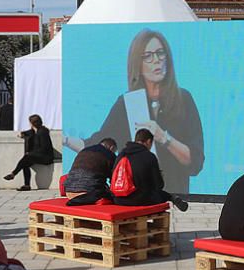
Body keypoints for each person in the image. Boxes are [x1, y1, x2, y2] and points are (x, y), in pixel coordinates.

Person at [64, 29, 204, 194]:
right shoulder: (127, 103)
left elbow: (195, 163)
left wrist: (164, 138)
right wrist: (65, 140)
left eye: (160, 53)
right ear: (138, 63)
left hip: (175, 194)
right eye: (148, 56)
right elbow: (96, 144)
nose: (156, 61)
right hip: (138, 193)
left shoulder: (184, 99)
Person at [112, 128, 188, 211]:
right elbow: (159, 185)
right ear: (148, 142)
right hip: (139, 201)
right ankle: (173, 198)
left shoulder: (121, 154)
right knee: (158, 194)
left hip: (118, 199)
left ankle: (172, 197)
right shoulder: (149, 156)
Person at [4, 114, 56, 191]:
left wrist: (32, 153)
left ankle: (13, 174)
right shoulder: (35, 131)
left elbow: (44, 148)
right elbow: (27, 132)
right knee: (25, 163)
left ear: (33, 123)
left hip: (46, 157)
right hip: (37, 155)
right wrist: (23, 134)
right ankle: (26, 185)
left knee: (27, 157)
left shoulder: (43, 132)